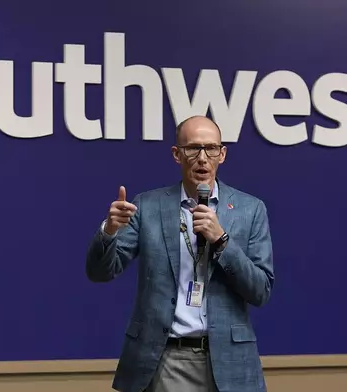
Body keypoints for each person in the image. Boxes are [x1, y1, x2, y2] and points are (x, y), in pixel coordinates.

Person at [85, 115, 275, 392]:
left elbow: (261, 290)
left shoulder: (250, 209)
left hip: (230, 361)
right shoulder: (148, 206)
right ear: (177, 154)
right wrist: (110, 230)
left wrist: (221, 241)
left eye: (211, 148)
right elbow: (100, 272)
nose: (202, 158)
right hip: (164, 359)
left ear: (222, 154)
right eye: (192, 148)